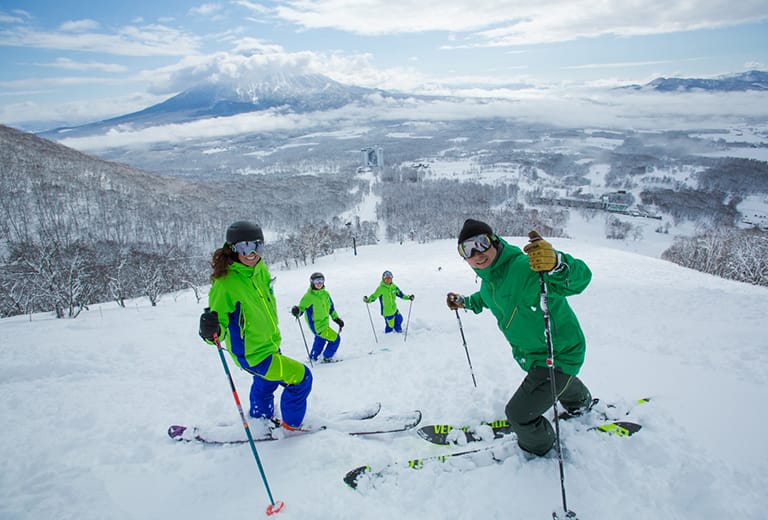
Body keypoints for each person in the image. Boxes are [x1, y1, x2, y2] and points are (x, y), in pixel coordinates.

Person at [446, 218, 593, 457]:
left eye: (481, 243)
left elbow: (581, 279)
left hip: (559, 352)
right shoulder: (488, 282)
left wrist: (557, 264)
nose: (476, 253)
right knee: (554, 380)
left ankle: (541, 447)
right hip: (534, 356)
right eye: (467, 250)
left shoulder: (527, 267)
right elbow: (484, 299)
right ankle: (579, 402)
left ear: (494, 241)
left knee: (518, 415)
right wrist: (463, 302)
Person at [198, 220, 312, 431]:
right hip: (253, 354)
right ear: (232, 249)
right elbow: (219, 326)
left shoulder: (260, 270)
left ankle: (260, 417)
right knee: (301, 378)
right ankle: (291, 425)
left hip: (269, 343)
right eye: (244, 247)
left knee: (266, 383)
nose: (251, 253)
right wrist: (210, 330)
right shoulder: (225, 284)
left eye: (256, 246)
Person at [291, 272, 344, 363]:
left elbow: (331, 308)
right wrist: (296, 311)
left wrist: (336, 319)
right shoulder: (308, 297)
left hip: (325, 324)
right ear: (312, 282)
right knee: (336, 339)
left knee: (320, 341)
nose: (319, 283)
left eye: (321, 280)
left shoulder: (326, 294)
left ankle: (313, 357)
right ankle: (327, 357)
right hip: (317, 326)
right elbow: (301, 309)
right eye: (316, 281)